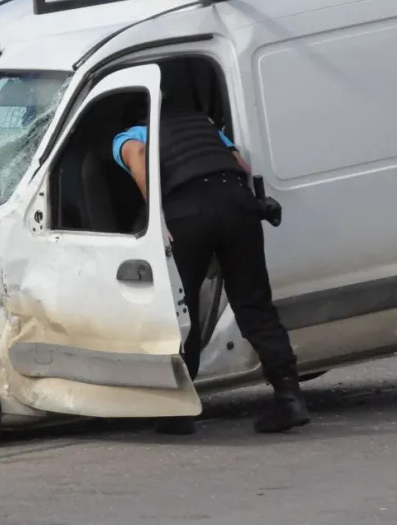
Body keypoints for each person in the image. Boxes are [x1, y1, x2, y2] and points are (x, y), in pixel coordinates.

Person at [112, 81, 310, 435]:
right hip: (237, 202)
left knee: (181, 310)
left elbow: (138, 155)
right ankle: (290, 397)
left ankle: (178, 413)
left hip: (188, 210)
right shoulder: (203, 125)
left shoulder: (130, 134)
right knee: (254, 305)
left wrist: (156, 216)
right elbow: (241, 165)